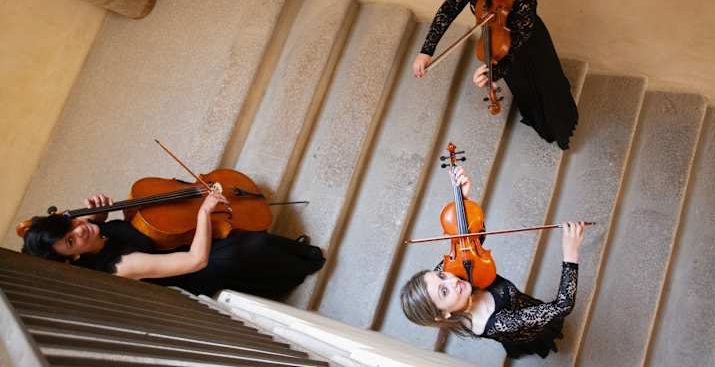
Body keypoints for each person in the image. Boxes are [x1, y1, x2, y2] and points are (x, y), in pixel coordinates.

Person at [412, 0, 578, 150]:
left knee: (548, 85)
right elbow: (448, 9)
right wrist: (426, 50)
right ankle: (536, 118)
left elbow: (519, 38)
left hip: (529, 44)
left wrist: (493, 72)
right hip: (497, 42)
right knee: (523, 89)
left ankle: (560, 129)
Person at [400, 166, 585, 359]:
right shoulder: (497, 322)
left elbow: (475, 242)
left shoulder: (451, 270)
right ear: (443, 314)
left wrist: (462, 205)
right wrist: (571, 253)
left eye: (441, 276)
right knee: (545, 331)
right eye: (444, 291)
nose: (452, 280)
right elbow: (563, 306)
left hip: (523, 302)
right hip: (525, 329)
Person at [20, 192, 325, 298]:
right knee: (243, 247)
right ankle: (298, 264)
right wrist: (204, 213)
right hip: (193, 270)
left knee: (182, 213)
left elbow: (91, 226)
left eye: (69, 224)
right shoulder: (119, 266)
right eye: (70, 240)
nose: (80, 230)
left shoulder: (88, 228)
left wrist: (99, 216)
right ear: (70, 260)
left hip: (170, 245)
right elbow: (195, 261)